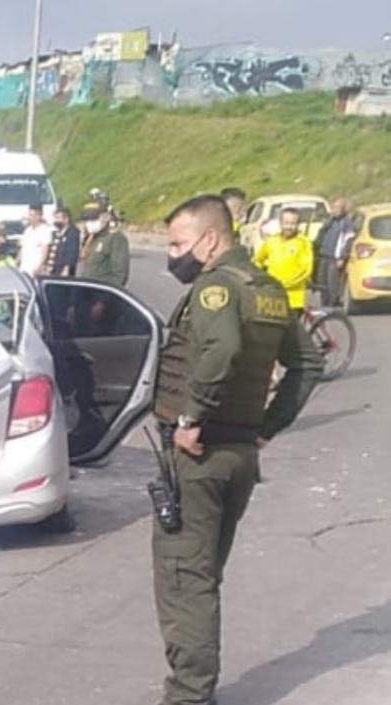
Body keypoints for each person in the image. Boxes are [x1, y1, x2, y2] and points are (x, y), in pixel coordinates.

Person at [151, 195, 322, 705]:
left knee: (186, 580)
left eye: (178, 244)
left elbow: (222, 349)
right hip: (240, 454)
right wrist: (267, 427)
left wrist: (190, 419)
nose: (173, 255)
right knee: (202, 575)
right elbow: (308, 362)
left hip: (200, 455)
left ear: (209, 240)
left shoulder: (216, 289)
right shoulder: (266, 290)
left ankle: (189, 696)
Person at [253, 207, 313, 314]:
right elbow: (257, 260)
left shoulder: (303, 243)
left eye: (292, 224)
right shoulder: (272, 241)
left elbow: (306, 270)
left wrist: (286, 284)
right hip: (273, 295)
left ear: (298, 224)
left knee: (292, 324)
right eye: (286, 223)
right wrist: (259, 277)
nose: (288, 227)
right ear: (280, 223)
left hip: (294, 298)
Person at [313, 197, 357, 308]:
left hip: (335, 257)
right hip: (324, 254)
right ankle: (324, 304)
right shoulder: (330, 220)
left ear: (343, 209)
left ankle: (332, 305)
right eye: (333, 207)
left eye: (338, 207)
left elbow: (348, 240)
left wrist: (342, 257)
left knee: (332, 283)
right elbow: (322, 234)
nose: (335, 210)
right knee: (322, 282)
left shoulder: (346, 223)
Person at [78, 202, 131, 287]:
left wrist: (107, 293)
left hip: (102, 291)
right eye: (87, 219)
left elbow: (119, 275)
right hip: (87, 289)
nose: (89, 222)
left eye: (94, 218)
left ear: (107, 217)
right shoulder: (91, 238)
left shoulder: (115, 238)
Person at [18, 203, 53, 277]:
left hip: (36, 269)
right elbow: (22, 248)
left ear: (39, 216)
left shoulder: (44, 230)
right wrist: (18, 262)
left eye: (34, 215)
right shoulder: (27, 230)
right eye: (30, 215)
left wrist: (40, 266)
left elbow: (45, 250)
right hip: (24, 268)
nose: (31, 218)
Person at [49, 207, 81, 277]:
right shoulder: (57, 233)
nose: (55, 221)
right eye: (55, 218)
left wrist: (66, 269)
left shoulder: (72, 233)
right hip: (54, 270)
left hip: (64, 271)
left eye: (58, 218)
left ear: (66, 219)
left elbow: (72, 252)